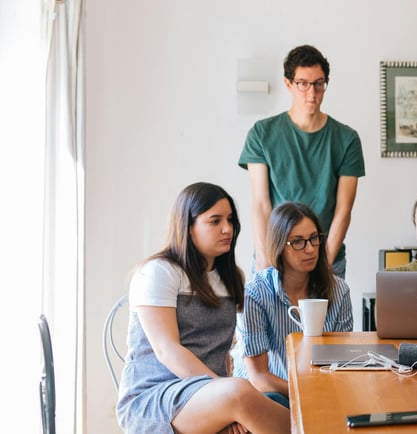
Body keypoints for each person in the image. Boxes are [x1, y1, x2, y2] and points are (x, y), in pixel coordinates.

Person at [117, 182, 289, 434]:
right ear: (188, 225)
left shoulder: (231, 278)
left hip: (211, 395)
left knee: (271, 400)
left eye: (230, 220)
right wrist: (225, 395)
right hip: (154, 398)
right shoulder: (159, 272)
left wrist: (225, 404)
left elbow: (223, 352)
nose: (227, 228)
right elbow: (167, 350)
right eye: (215, 221)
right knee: (241, 391)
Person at [240, 44, 365, 278]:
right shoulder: (262, 134)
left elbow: (343, 210)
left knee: (327, 316)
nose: (312, 92)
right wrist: (265, 260)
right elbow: (261, 204)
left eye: (319, 83)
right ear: (288, 84)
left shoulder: (347, 139)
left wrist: (324, 265)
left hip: (326, 258)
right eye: (303, 84)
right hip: (275, 257)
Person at [233, 202, 353, 407]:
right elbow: (259, 377)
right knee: (276, 401)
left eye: (314, 239)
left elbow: (342, 362)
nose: (310, 249)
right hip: (268, 394)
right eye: (298, 242)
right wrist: (305, 391)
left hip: (321, 390)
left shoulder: (339, 290)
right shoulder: (255, 293)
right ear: (279, 246)